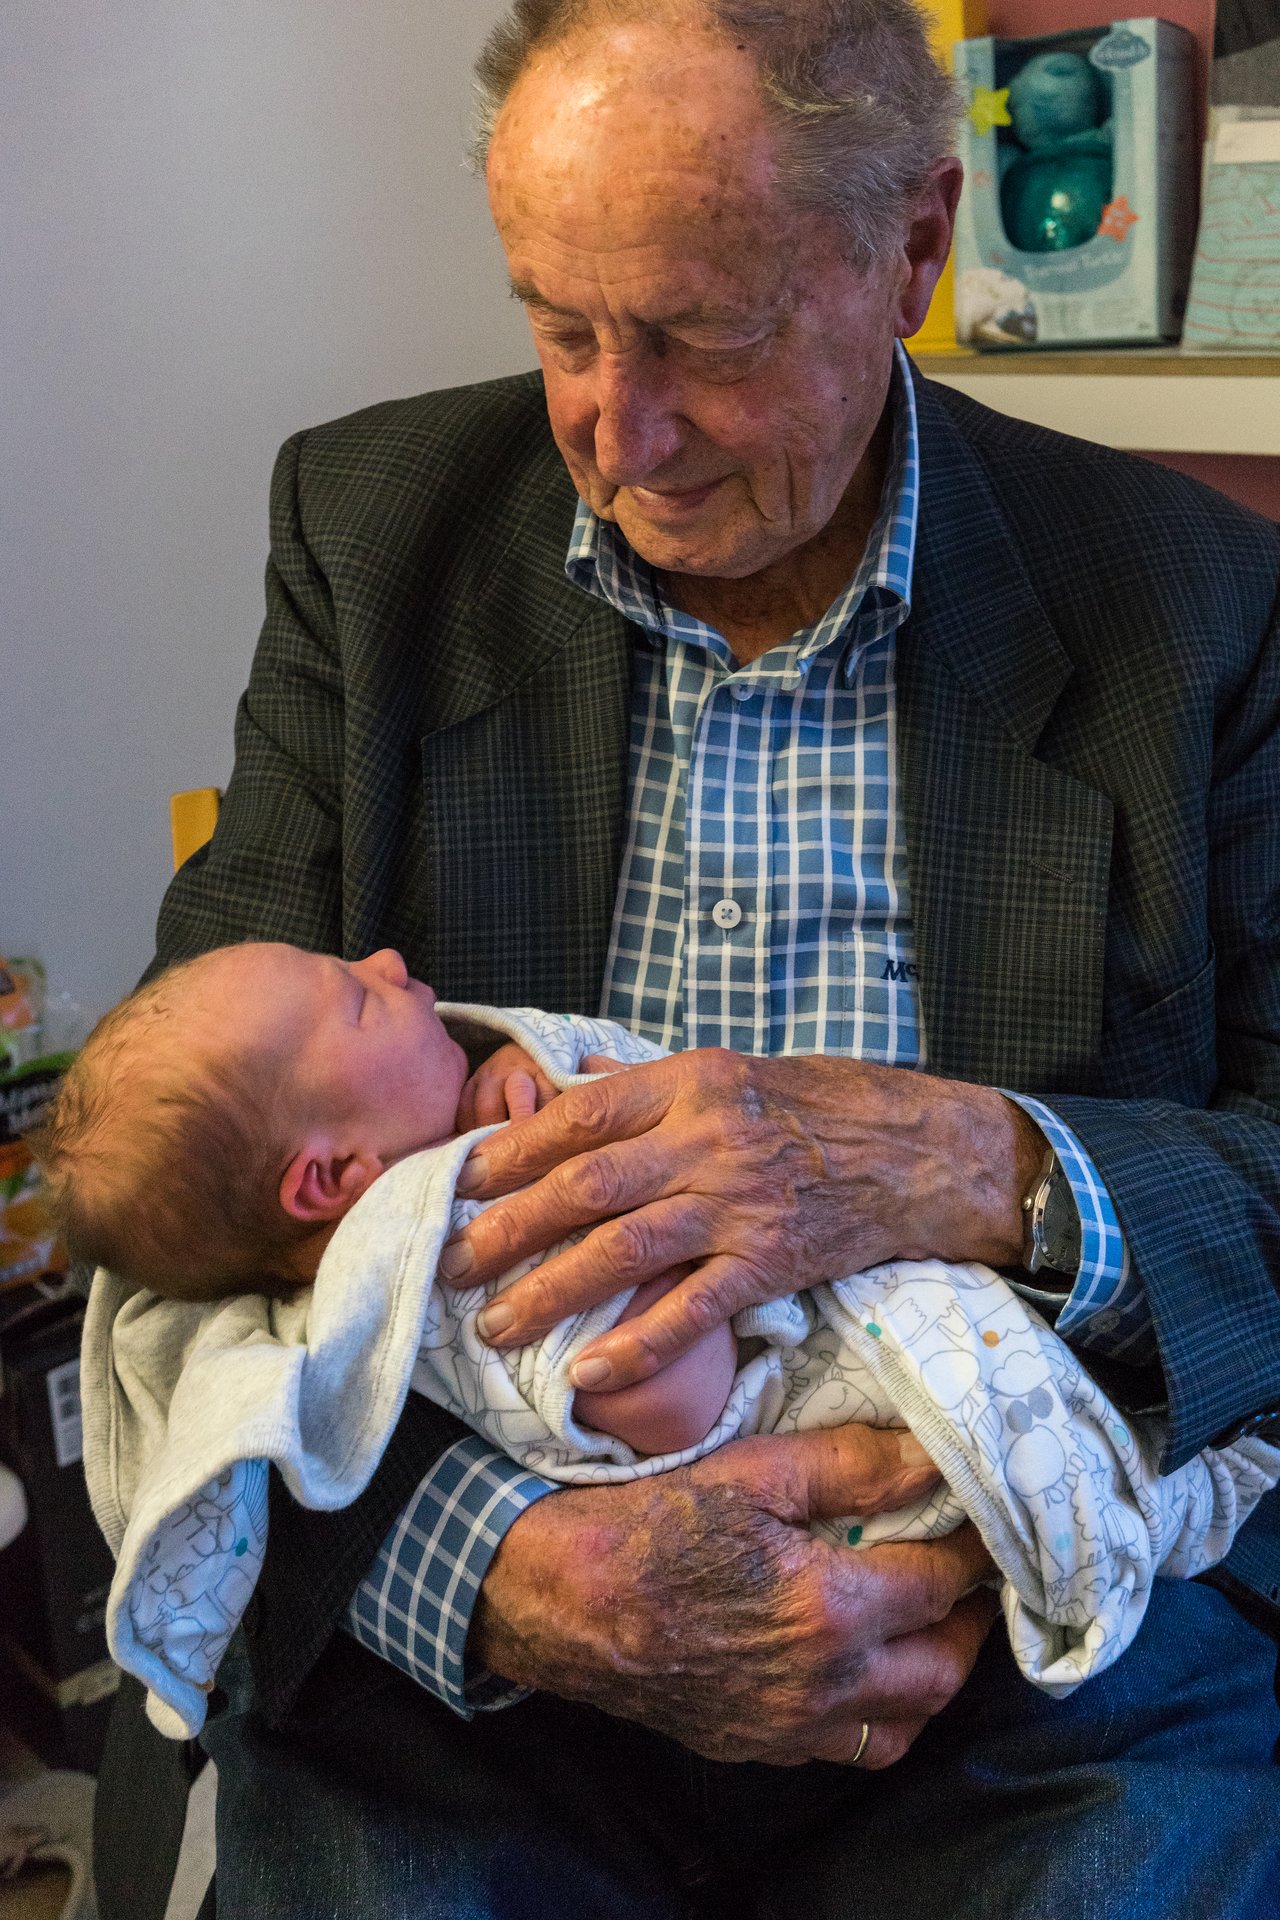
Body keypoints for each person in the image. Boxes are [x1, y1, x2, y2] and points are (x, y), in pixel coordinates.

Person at [94, 1, 1280, 1915]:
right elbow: (187, 1219)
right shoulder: (370, 538)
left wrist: (970, 1163)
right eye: (557, 323)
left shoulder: (1195, 604)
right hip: (496, 1637)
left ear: (910, 253)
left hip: (1028, 1641)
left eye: (702, 336)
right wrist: (497, 1574)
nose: (613, 430)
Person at [48, 940, 1276, 1744]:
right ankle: (1140, 1504)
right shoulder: (466, 1276)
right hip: (564, 1645)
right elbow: (664, 1398)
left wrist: (536, 1080)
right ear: (335, 1181)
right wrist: (668, 1238)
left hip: (999, 1663)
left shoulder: (1203, 606)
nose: (387, 955)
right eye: (361, 997)